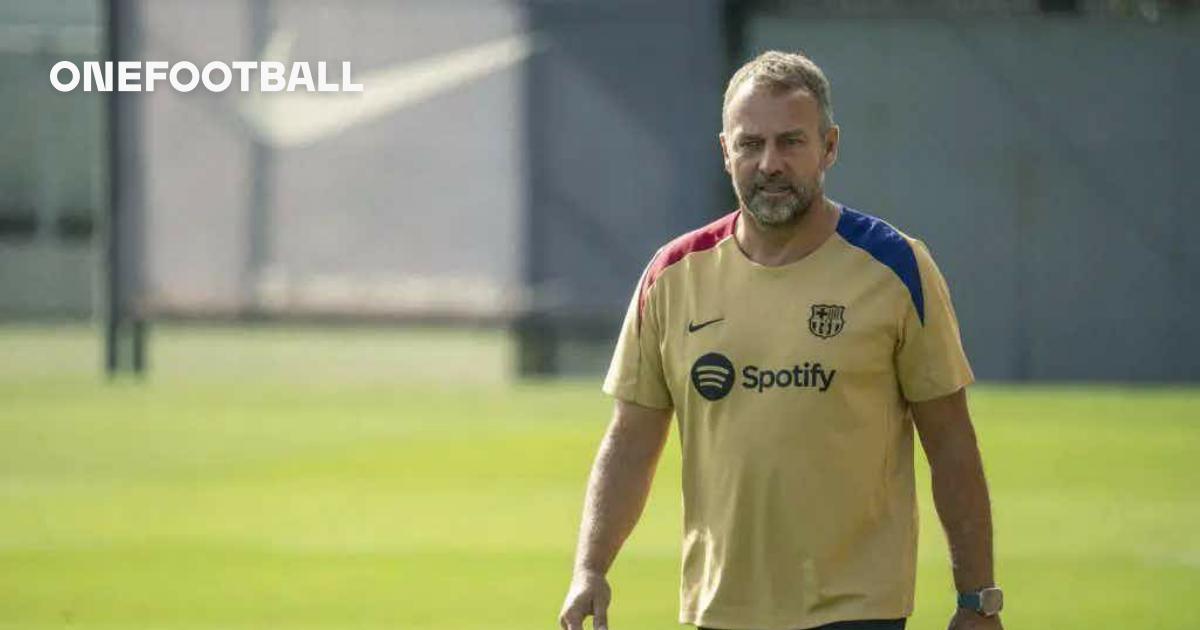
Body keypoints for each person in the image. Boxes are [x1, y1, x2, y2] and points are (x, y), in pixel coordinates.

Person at [557, 50, 1003, 630]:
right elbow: (630, 441)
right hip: (719, 609)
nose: (769, 163)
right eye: (751, 144)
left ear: (829, 147)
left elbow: (951, 444)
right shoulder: (673, 276)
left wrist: (977, 599)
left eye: (791, 142)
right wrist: (590, 567)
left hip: (858, 611)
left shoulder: (896, 267)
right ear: (726, 152)